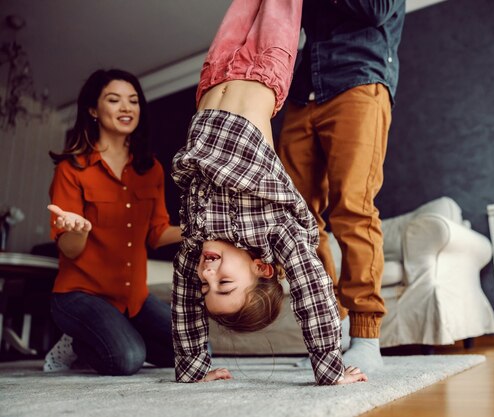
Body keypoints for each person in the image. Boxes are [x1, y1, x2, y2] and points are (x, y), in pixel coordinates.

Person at [171, 0, 366, 386]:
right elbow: (312, 290)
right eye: (223, 282)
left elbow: (184, 303)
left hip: (213, 77)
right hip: (264, 68)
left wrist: (192, 367)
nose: (207, 274)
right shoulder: (274, 231)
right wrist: (329, 369)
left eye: (205, 285)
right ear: (261, 268)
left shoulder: (196, 243)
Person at [277, 0, 406, 373]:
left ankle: (365, 339)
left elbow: (376, 9)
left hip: (359, 80)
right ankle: (328, 333)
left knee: (353, 207)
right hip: (303, 93)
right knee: (298, 220)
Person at [45, 69, 182, 375]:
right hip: (80, 294)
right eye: (114, 99)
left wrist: (197, 228)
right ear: (93, 110)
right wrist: (78, 230)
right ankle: (78, 342)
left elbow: (156, 234)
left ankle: (117, 334)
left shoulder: (152, 169)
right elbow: (69, 249)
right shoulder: (72, 169)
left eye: (133, 101)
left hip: (133, 297)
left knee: (196, 350)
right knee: (127, 359)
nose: (126, 108)